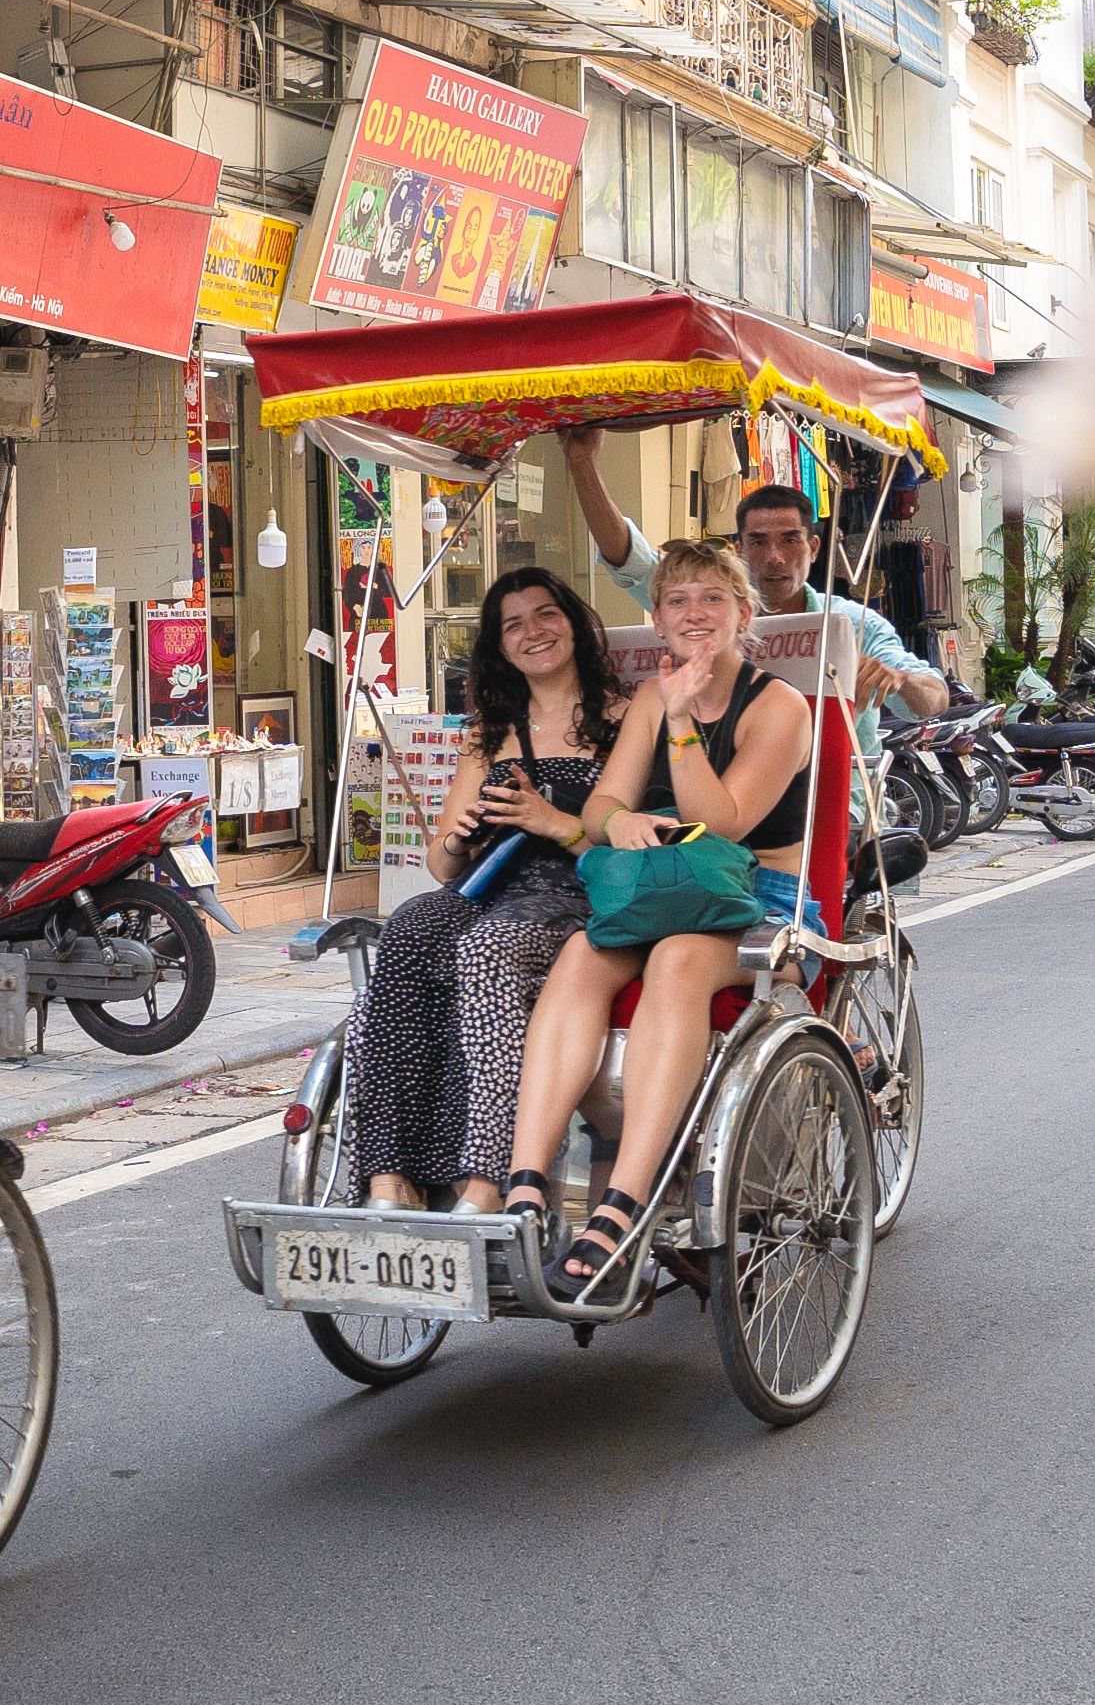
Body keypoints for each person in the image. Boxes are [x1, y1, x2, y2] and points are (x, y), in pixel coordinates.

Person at [501, 538, 813, 1306]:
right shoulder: (653, 695)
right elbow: (601, 805)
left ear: (744, 614)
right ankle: (525, 1186)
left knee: (676, 960)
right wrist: (623, 823)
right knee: (579, 954)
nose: (695, 613)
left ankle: (625, 1201)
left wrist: (679, 726)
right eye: (678, 600)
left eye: (713, 598)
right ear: (657, 617)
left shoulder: (778, 705)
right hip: (659, 887)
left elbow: (725, 822)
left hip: (758, 898)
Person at [345, 568, 620, 1213]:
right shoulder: (489, 734)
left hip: (576, 890)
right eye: (514, 625)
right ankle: (388, 1174)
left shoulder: (624, 718)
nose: (534, 633)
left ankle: (486, 1179)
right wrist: (460, 839)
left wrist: (550, 820)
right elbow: (444, 866)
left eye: (546, 614)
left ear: (573, 623)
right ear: (500, 646)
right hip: (489, 883)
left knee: (486, 951)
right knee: (410, 927)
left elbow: (628, 836)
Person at [558, 429, 946, 765]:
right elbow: (632, 560)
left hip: (831, 804)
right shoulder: (710, 615)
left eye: (790, 540)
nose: (775, 557)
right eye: (759, 542)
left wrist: (901, 680)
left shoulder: (854, 624)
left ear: (813, 547)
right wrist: (582, 463)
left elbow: (934, 699)